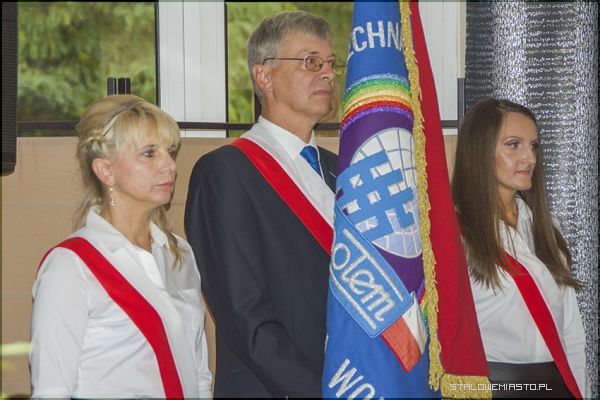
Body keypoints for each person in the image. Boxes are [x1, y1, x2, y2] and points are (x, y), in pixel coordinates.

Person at [184, 10, 341, 398]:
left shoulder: (342, 171)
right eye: (311, 62)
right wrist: (320, 391)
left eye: (330, 63)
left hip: (355, 380)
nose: (327, 74)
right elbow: (244, 315)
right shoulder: (225, 172)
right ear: (264, 76)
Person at [29, 95, 212, 398]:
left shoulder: (179, 254)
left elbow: (199, 375)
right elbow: (51, 391)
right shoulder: (70, 265)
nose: (170, 165)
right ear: (106, 170)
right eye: (149, 153)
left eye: (170, 152)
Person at [451, 98, 590, 398]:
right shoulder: (454, 236)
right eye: (513, 145)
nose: (530, 158)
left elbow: (570, 330)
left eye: (533, 146)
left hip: (556, 386)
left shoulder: (546, 226)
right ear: (480, 150)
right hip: (489, 389)